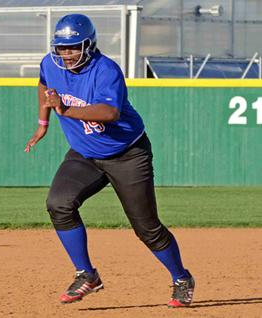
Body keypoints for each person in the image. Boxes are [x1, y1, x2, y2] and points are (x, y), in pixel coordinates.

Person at [25, 13, 195, 307]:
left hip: (128, 154)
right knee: (58, 204)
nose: (66, 54)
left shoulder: (106, 71)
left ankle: (181, 278)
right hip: (85, 154)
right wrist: (43, 123)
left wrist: (64, 110)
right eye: (62, 47)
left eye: (74, 47)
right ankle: (87, 275)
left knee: (147, 229)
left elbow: (108, 113)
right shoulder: (50, 64)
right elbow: (44, 85)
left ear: (89, 45)